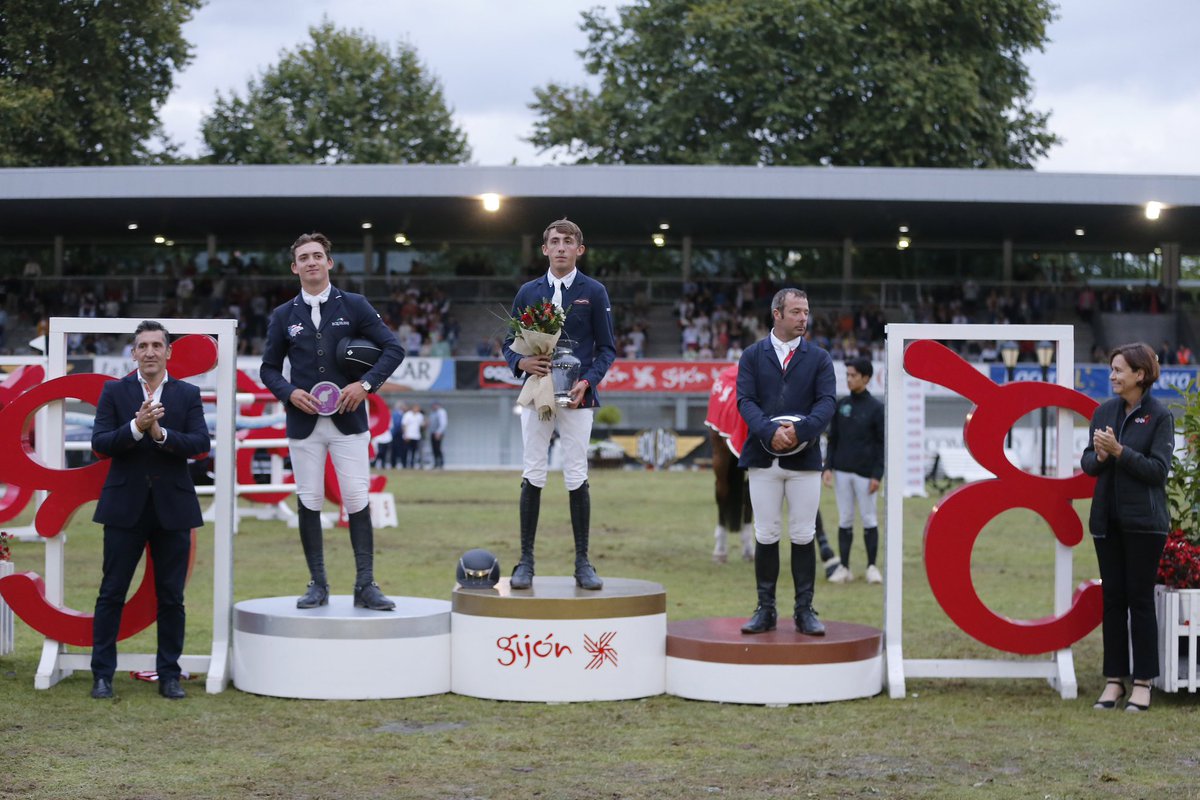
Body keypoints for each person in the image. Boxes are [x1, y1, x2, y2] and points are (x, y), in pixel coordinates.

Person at [260, 232, 405, 612]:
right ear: (295, 267)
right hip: (303, 422)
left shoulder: (354, 304)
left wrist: (366, 384)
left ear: (329, 263)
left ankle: (365, 584)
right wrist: (289, 393)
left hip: (348, 419)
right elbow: (268, 369)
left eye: (317, 256)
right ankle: (318, 584)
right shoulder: (282, 315)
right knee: (309, 500)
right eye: (303, 257)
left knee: (357, 498)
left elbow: (394, 348)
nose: (311, 262)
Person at [90, 320, 210, 700]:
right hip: (124, 507)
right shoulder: (114, 391)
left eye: (157, 345)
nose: (150, 352)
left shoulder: (188, 393)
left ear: (168, 352)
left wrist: (161, 436)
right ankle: (102, 675)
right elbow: (101, 443)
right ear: (134, 353)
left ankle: (169, 674)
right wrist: (137, 428)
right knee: (112, 592)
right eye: (143, 346)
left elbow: (199, 443)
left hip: (172, 508)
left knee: (171, 596)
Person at [502, 218, 616, 591]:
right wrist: (522, 363)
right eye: (555, 241)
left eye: (569, 242)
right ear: (545, 249)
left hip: (578, 397)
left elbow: (608, 349)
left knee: (575, 472)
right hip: (537, 394)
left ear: (579, 250)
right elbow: (508, 344)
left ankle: (583, 562)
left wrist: (588, 381)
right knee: (533, 471)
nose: (562, 247)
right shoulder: (528, 292)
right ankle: (525, 562)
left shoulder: (594, 292)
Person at [736, 288, 835, 636]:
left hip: (804, 459)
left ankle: (804, 610)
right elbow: (745, 401)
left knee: (803, 533)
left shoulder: (819, 358)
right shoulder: (751, 355)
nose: (803, 318)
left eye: (806, 311)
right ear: (776, 314)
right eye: (796, 312)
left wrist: (800, 430)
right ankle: (765, 609)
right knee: (766, 533)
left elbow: (826, 403)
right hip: (762, 458)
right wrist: (768, 431)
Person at [1081, 342, 1173, 713]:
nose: (1113, 376)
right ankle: (1114, 680)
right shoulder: (1103, 411)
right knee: (1113, 601)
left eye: (1119, 370)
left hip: (1145, 525)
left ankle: (1143, 682)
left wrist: (1119, 452)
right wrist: (1101, 454)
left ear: (1140, 374)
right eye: (1112, 369)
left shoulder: (1159, 416)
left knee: (1140, 601)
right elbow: (1088, 464)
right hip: (1107, 522)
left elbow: (1157, 470)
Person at [822, 357, 885, 585]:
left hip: (866, 474)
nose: (849, 379)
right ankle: (845, 567)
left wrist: (878, 474)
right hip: (841, 472)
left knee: (869, 519)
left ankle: (871, 567)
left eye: (853, 375)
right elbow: (833, 439)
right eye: (847, 375)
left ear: (866, 378)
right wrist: (827, 467)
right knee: (845, 518)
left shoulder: (877, 408)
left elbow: (882, 445)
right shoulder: (841, 405)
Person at [400, 402, 425, 468]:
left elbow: (421, 425)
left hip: (416, 436)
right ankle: (404, 464)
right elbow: (404, 425)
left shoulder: (420, 416)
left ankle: (412, 464)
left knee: (414, 451)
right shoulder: (407, 415)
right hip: (408, 436)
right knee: (406, 451)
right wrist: (405, 435)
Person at [428, 401, 448, 468]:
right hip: (432, 432)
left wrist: (439, 432)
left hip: (438, 433)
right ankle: (436, 463)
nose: (433, 407)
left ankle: (441, 463)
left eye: (434, 405)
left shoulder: (441, 412)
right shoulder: (432, 412)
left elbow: (443, 423)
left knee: (438, 448)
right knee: (434, 449)